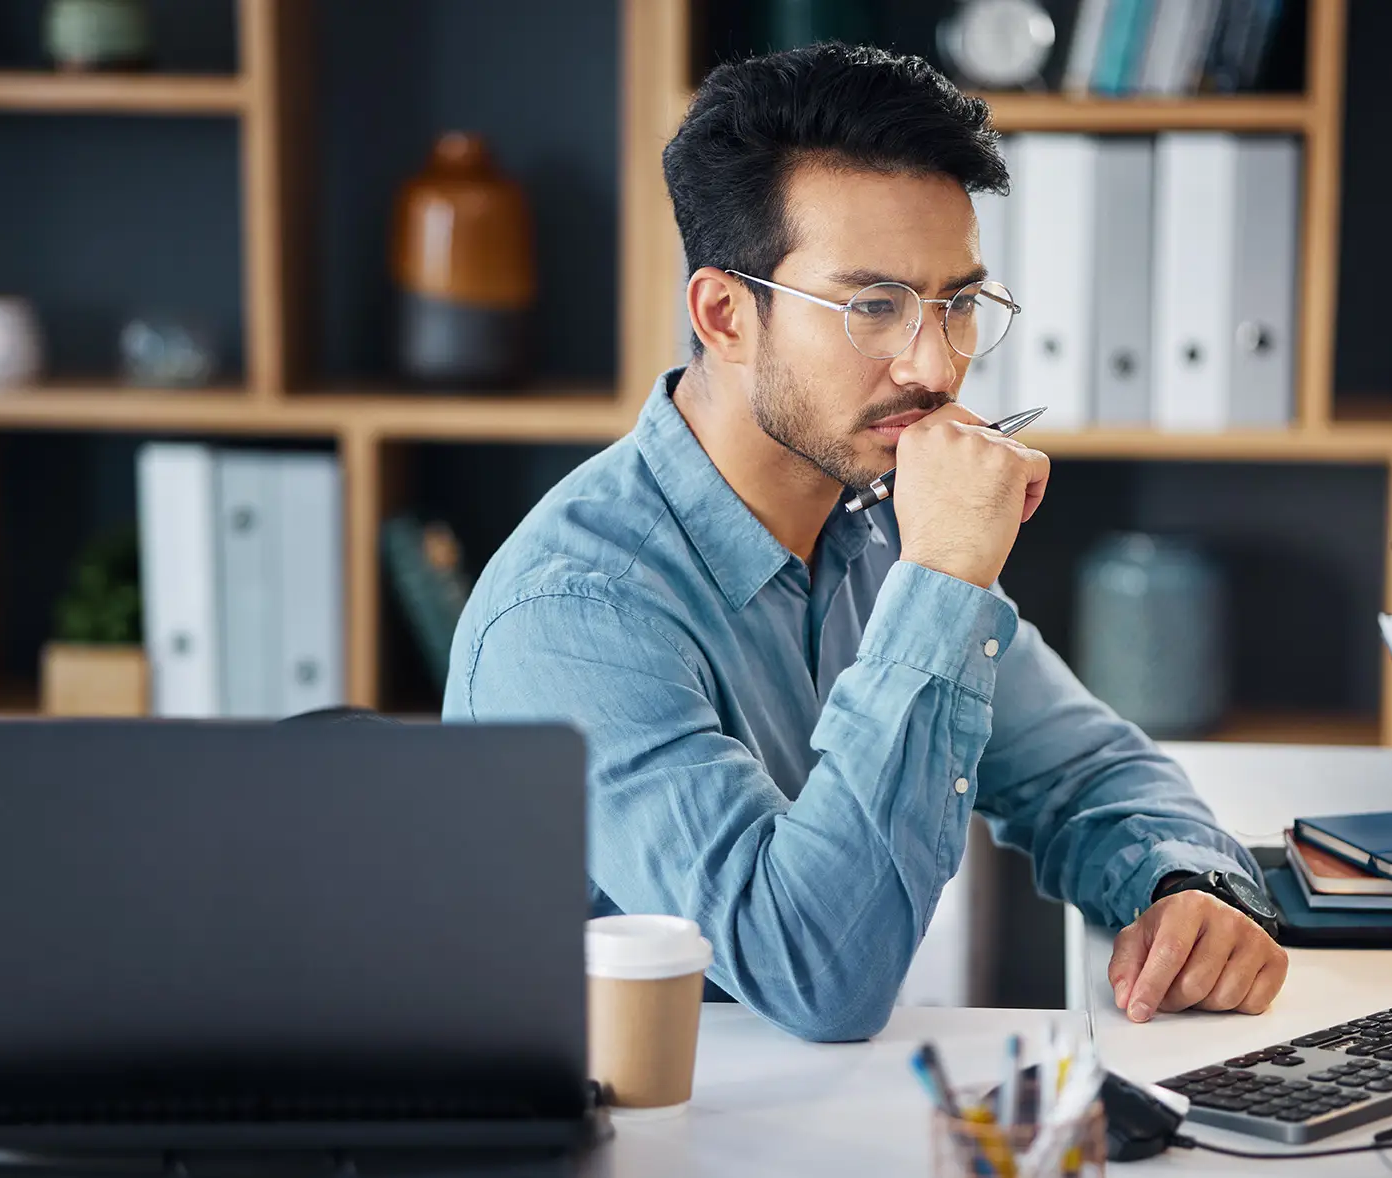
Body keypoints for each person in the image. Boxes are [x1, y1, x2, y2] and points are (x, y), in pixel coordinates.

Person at [444, 43, 1286, 1042]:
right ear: (724, 314)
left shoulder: (877, 514)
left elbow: (1086, 768)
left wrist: (1186, 881)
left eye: (959, 303)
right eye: (873, 307)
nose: (934, 363)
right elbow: (812, 968)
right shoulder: (575, 613)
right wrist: (943, 576)